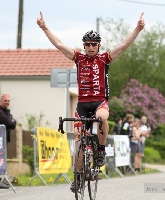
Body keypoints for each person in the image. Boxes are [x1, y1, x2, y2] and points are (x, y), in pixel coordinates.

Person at [37, 11, 145, 192]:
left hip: (99, 102)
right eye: (87, 44)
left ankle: (100, 150)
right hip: (82, 104)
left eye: (93, 44)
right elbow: (59, 44)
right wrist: (44, 27)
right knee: (79, 140)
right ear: (84, 46)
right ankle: (78, 178)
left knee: (102, 118)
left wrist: (138, 29)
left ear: (98, 45)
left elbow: (124, 45)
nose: (90, 47)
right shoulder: (78, 58)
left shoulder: (105, 59)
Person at [0, 94, 17, 189]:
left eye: (8, 101)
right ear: (0, 101)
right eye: (5, 100)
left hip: (3, 139)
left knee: (0, 161)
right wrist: (11, 120)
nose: (7, 102)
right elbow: (10, 123)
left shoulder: (5, 112)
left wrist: (11, 120)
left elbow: (13, 124)